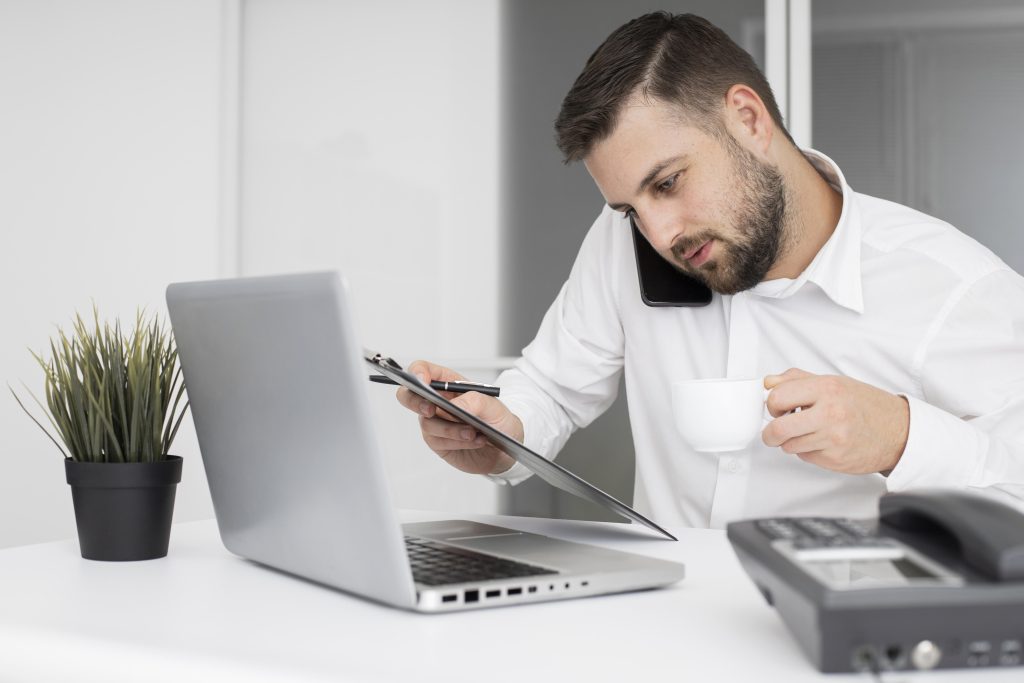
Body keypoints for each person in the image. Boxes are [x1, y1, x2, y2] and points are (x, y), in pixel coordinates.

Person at [395, 12, 1024, 528]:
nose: (658, 234)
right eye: (629, 208)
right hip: (663, 623)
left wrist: (901, 438)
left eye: (668, 183)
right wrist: (500, 436)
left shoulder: (954, 288)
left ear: (748, 120)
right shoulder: (628, 241)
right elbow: (551, 389)